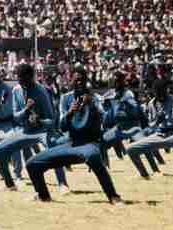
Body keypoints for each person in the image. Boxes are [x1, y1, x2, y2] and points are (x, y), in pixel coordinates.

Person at [26, 66, 122, 204]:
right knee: (32, 164)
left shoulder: (94, 98)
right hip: (71, 142)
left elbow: (106, 121)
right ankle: (43, 196)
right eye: (76, 80)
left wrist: (93, 107)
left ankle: (113, 196)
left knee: (93, 155)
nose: (79, 83)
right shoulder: (66, 98)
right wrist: (70, 112)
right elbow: (62, 126)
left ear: (86, 81)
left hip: (90, 142)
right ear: (71, 80)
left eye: (82, 80)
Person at [0, 64, 69, 192]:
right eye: (19, 78)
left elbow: (51, 120)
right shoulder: (16, 90)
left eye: (24, 79)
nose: (21, 81)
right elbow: (16, 117)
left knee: (53, 151)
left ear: (31, 77)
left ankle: (63, 184)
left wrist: (39, 121)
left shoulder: (41, 91)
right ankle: (10, 184)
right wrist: (26, 110)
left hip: (43, 131)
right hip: (25, 131)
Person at [127, 79, 173, 179]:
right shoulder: (151, 103)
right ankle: (144, 175)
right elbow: (151, 125)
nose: (159, 95)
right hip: (159, 135)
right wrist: (157, 121)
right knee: (130, 149)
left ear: (166, 90)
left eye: (162, 92)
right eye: (157, 92)